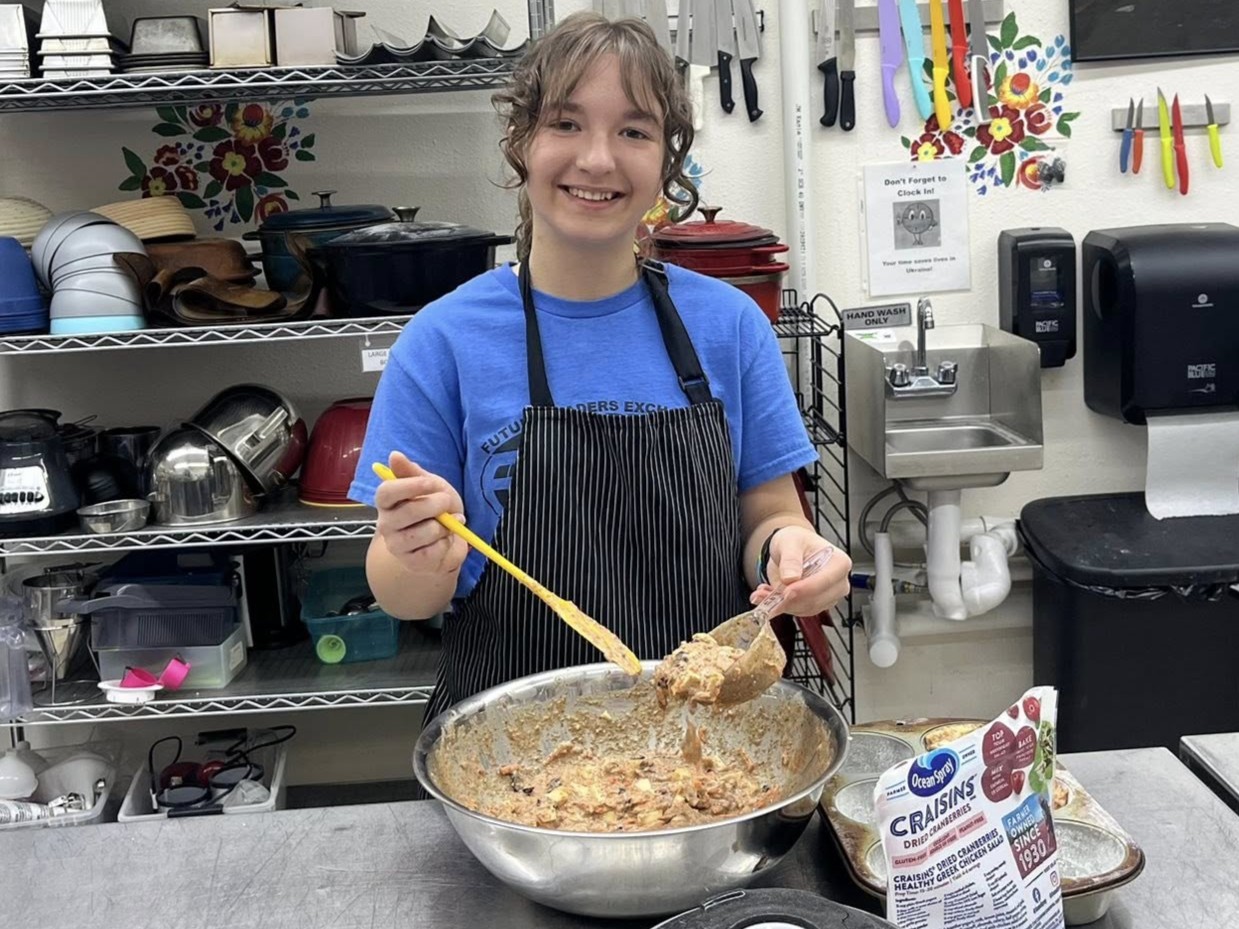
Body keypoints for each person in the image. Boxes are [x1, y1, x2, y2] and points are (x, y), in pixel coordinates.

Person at [349, 11, 852, 727]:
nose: (596, 159)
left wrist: (790, 549)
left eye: (634, 131)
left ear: (666, 160)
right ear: (520, 141)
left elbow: (769, 514)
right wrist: (418, 557)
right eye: (566, 123)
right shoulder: (442, 341)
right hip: (512, 749)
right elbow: (403, 596)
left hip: (707, 741)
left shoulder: (730, 325)